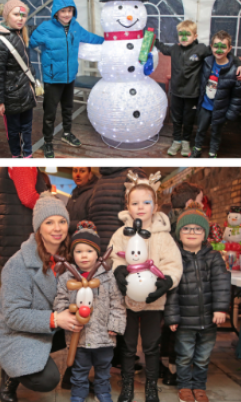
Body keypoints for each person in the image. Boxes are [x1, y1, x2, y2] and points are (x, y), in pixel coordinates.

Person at [0, 192, 78, 400]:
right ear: (39, 227)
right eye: (49, 222)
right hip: (15, 332)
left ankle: (76, 376)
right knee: (47, 379)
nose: (57, 228)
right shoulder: (18, 264)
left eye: (62, 221)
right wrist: (56, 319)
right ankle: (10, 377)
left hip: (46, 324)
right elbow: (13, 316)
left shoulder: (69, 258)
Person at [110, 174, 183, 402]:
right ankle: (128, 386)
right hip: (128, 299)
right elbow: (113, 256)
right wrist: (118, 270)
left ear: (156, 206)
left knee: (152, 345)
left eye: (146, 202)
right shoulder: (121, 234)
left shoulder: (164, 237)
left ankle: (152, 387)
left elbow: (173, 263)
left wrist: (168, 281)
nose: (140, 207)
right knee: (128, 346)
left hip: (154, 300)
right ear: (128, 207)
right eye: (135, 203)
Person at [53, 221, 126, 402]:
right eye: (78, 251)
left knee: (103, 369)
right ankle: (78, 394)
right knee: (79, 370)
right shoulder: (65, 278)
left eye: (89, 251)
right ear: (72, 254)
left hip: (104, 336)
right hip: (79, 337)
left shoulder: (107, 277)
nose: (83, 256)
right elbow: (60, 301)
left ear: (97, 253)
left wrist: (115, 325)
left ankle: (103, 393)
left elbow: (117, 303)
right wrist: (66, 316)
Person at [165, 205, 231, 402]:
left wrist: (220, 308)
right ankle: (185, 386)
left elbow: (221, 284)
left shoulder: (213, 258)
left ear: (205, 234)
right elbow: (172, 290)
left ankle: (199, 386)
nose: (192, 232)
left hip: (209, 320)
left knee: (202, 357)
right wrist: (172, 316)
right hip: (184, 321)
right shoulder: (174, 258)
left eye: (197, 229)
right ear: (179, 233)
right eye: (186, 228)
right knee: (184, 356)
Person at [28, 0, 104, 157]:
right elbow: (29, 42)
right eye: (63, 11)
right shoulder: (45, 28)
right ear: (56, 12)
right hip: (53, 78)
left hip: (70, 77)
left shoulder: (76, 27)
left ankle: (67, 134)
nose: (67, 14)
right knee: (50, 113)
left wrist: (108, 40)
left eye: (70, 10)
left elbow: (91, 38)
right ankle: (48, 142)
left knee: (68, 109)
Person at [156, 20, 241, 157]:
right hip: (176, 93)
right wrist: (152, 39)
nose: (183, 38)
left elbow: (222, 52)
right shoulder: (174, 49)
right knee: (176, 118)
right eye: (181, 34)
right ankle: (176, 140)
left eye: (187, 35)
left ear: (195, 36)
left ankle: (185, 141)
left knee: (189, 119)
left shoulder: (201, 49)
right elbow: (163, 47)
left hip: (192, 94)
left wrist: (238, 63)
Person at [0, 0, 36, 158]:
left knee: (27, 127)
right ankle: (17, 156)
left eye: (23, 15)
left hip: (25, 91)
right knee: (14, 130)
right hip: (10, 96)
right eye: (16, 14)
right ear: (6, 15)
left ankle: (28, 155)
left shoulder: (19, 33)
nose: (20, 18)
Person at [190, 30, 241, 158]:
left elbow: (236, 96)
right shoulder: (206, 62)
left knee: (216, 132)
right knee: (200, 129)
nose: (219, 50)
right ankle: (197, 149)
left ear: (229, 48)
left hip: (221, 109)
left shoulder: (234, 70)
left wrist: (231, 113)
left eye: (223, 46)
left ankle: (213, 152)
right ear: (211, 47)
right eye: (216, 46)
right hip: (205, 107)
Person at [66, 167, 97, 236]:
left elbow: (91, 224)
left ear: (90, 175)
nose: (78, 175)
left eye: (82, 171)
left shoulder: (94, 193)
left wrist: (66, 224)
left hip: (84, 240)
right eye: (75, 171)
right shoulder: (74, 193)